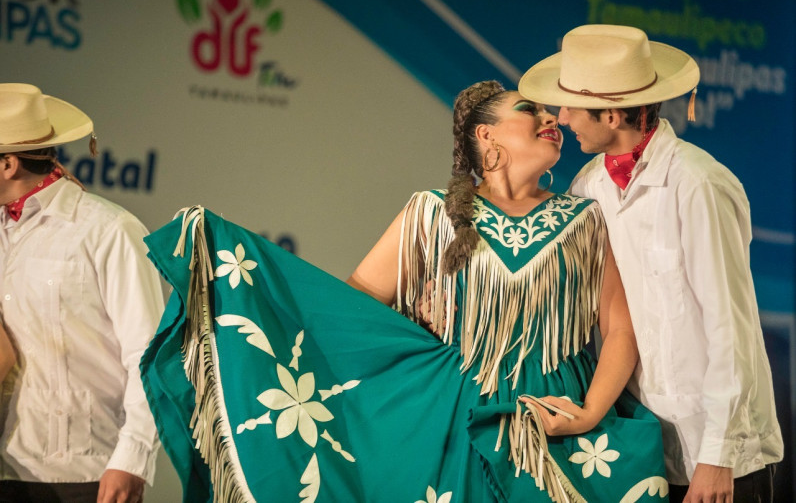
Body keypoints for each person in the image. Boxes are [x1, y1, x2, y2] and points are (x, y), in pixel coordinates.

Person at [141, 80, 669, 502]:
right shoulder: (429, 214)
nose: (553, 118)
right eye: (531, 110)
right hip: (449, 421)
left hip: (557, 425)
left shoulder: (583, 219)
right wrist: (411, 345)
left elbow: (620, 328)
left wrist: (591, 412)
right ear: (486, 136)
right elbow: (349, 312)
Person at [519, 24, 784, 503]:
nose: (562, 117)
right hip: (642, 449)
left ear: (614, 113)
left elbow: (731, 327)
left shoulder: (697, 184)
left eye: (572, 106)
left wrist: (716, 457)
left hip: (719, 456)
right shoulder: (588, 186)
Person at [0, 83, 164, 503]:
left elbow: (149, 355)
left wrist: (132, 457)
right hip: (8, 469)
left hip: (88, 474)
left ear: (8, 165)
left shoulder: (108, 230)